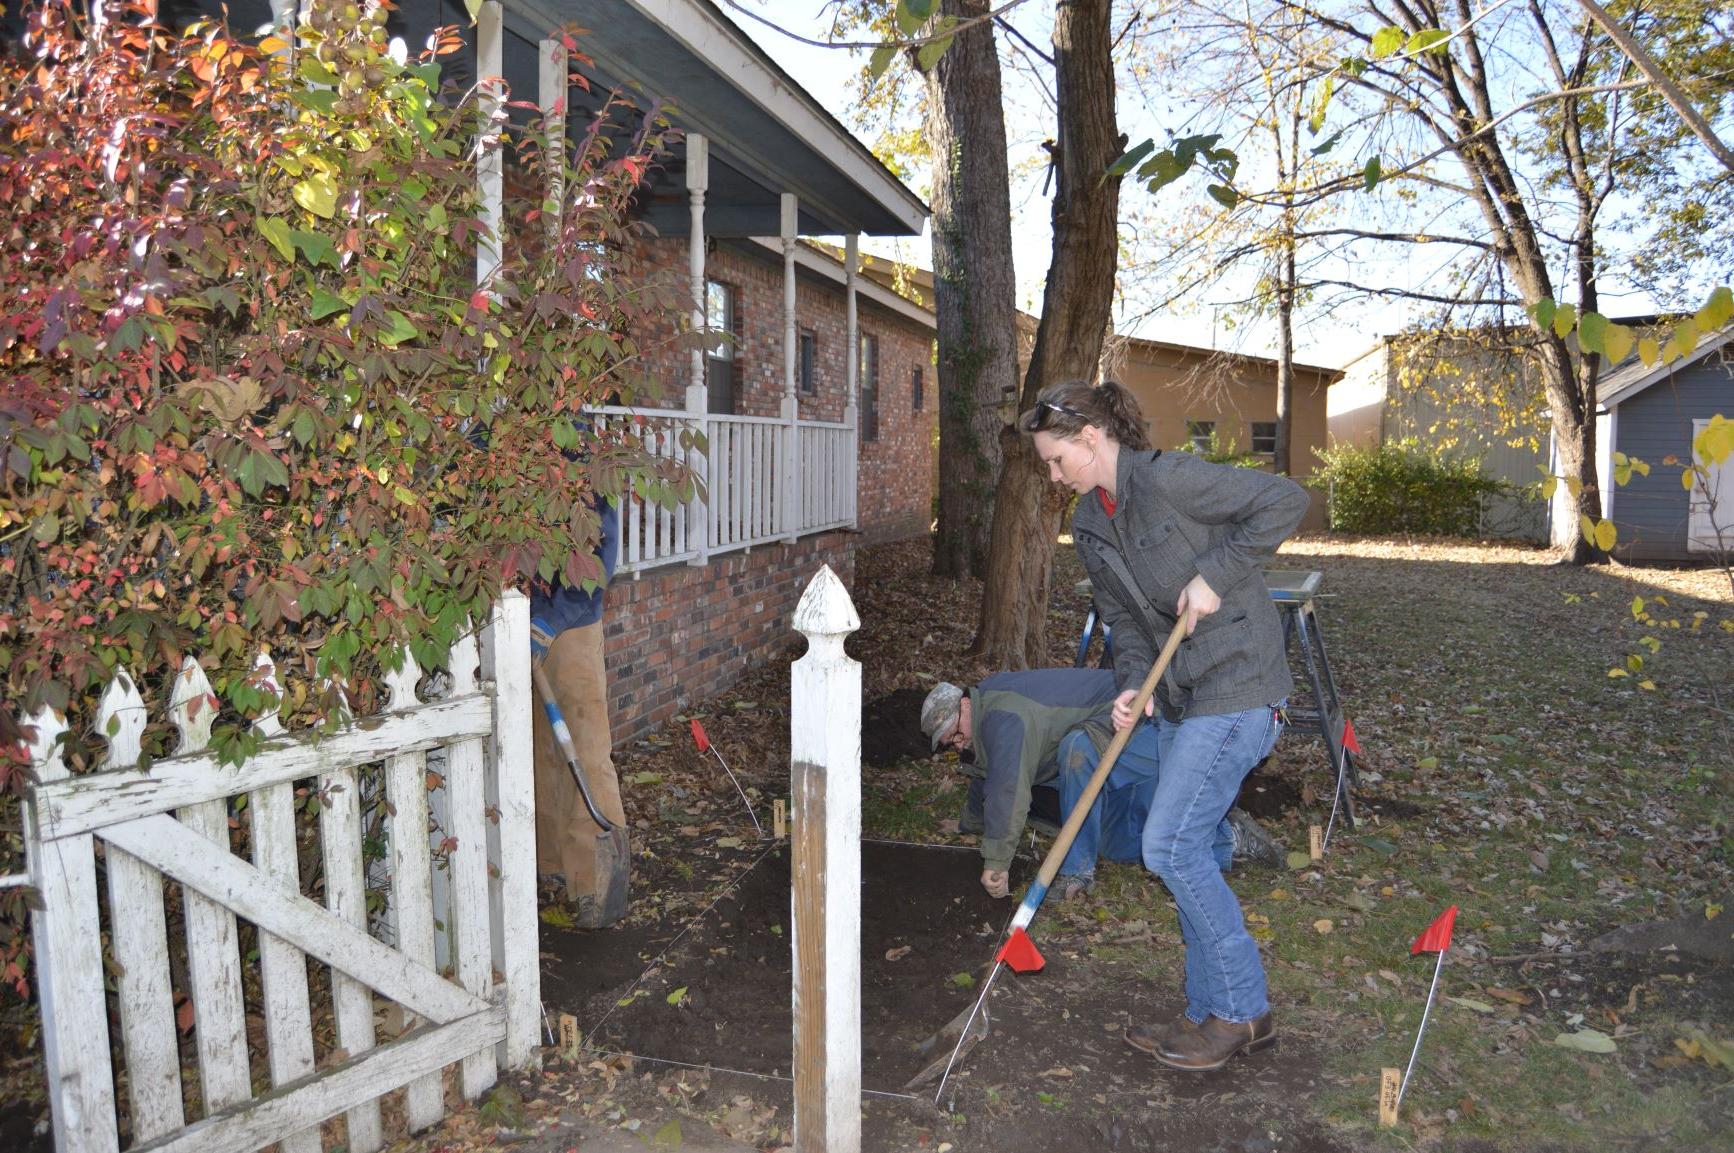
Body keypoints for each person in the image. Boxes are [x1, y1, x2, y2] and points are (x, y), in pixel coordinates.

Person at [1022, 378, 1309, 1074]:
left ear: (1092, 437)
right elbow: (1125, 622)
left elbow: (1285, 499)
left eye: (1059, 461)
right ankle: (1209, 1008)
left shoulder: (1171, 479)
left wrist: (1214, 573)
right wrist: (1130, 683)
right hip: (1180, 697)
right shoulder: (1091, 525)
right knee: (1193, 853)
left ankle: (1241, 1009)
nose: (1055, 477)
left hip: (1240, 681)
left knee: (1169, 843)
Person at [919, 672, 1283, 902]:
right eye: (948, 740)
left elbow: (1007, 790)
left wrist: (997, 860)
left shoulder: (1004, 718)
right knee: (1117, 843)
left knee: (1076, 750)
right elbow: (991, 774)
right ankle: (1227, 839)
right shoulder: (985, 717)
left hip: (1139, 721)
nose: (956, 742)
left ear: (965, 702)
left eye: (954, 731)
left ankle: (1076, 871)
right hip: (1104, 751)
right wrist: (971, 824)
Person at [530, 495, 629, 929]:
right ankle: (547, 867)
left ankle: (593, 884)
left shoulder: (577, 447)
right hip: (512, 620)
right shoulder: (485, 435)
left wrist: (549, 621)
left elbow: (598, 553)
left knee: (584, 751)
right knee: (536, 751)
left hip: (569, 626)